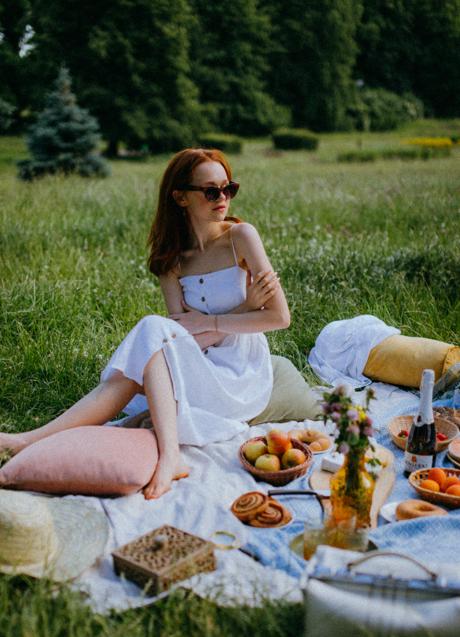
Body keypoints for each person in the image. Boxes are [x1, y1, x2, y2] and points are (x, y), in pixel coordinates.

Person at [0, 148, 290, 499]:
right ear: (180, 197)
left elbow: (278, 318)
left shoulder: (241, 237)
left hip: (241, 375)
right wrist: (245, 308)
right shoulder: (170, 259)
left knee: (151, 337)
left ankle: (166, 457)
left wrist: (210, 320)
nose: (222, 198)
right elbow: (186, 340)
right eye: (211, 191)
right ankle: (25, 441)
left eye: (229, 188)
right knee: (148, 349)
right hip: (201, 361)